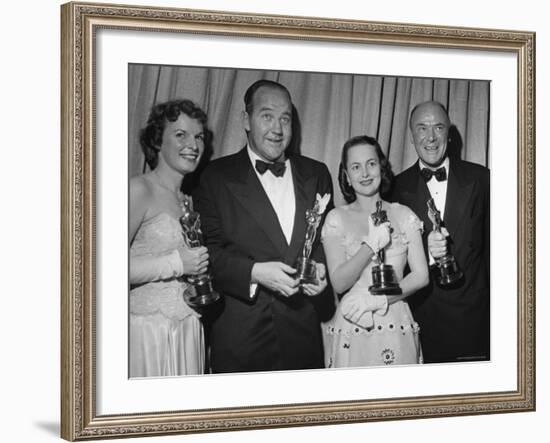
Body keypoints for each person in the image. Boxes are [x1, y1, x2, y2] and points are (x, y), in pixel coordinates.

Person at [194, 79, 335, 373]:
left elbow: (323, 240)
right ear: (246, 120)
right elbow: (206, 254)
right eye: (267, 116)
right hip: (242, 337)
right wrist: (255, 273)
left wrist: (321, 269)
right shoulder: (214, 177)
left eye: (285, 118)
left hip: (303, 336)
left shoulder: (317, 173)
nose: (278, 129)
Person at [391, 100, 490, 363]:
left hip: (475, 323)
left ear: (449, 132)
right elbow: (391, 261)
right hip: (419, 322)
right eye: (422, 129)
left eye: (438, 127)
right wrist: (428, 255)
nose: (431, 137)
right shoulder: (394, 189)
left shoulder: (482, 179)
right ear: (412, 136)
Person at [322, 135, 429, 368]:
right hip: (353, 323)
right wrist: (370, 245)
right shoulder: (336, 218)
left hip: (396, 320)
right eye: (356, 167)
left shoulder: (404, 215)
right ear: (347, 177)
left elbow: (421, 276)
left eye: (371, 164)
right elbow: (339, 282)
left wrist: (377, 300)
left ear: (381, 167)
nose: (365, 173)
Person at [129, 99, 211, 377]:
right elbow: (98, 269)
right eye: (180, 134)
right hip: (148, 331)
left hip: (188, 328)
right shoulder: (138, 189)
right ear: (157, 141)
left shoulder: (188, 201)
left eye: (198, 136)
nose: (194, 144)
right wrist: (177, 264)